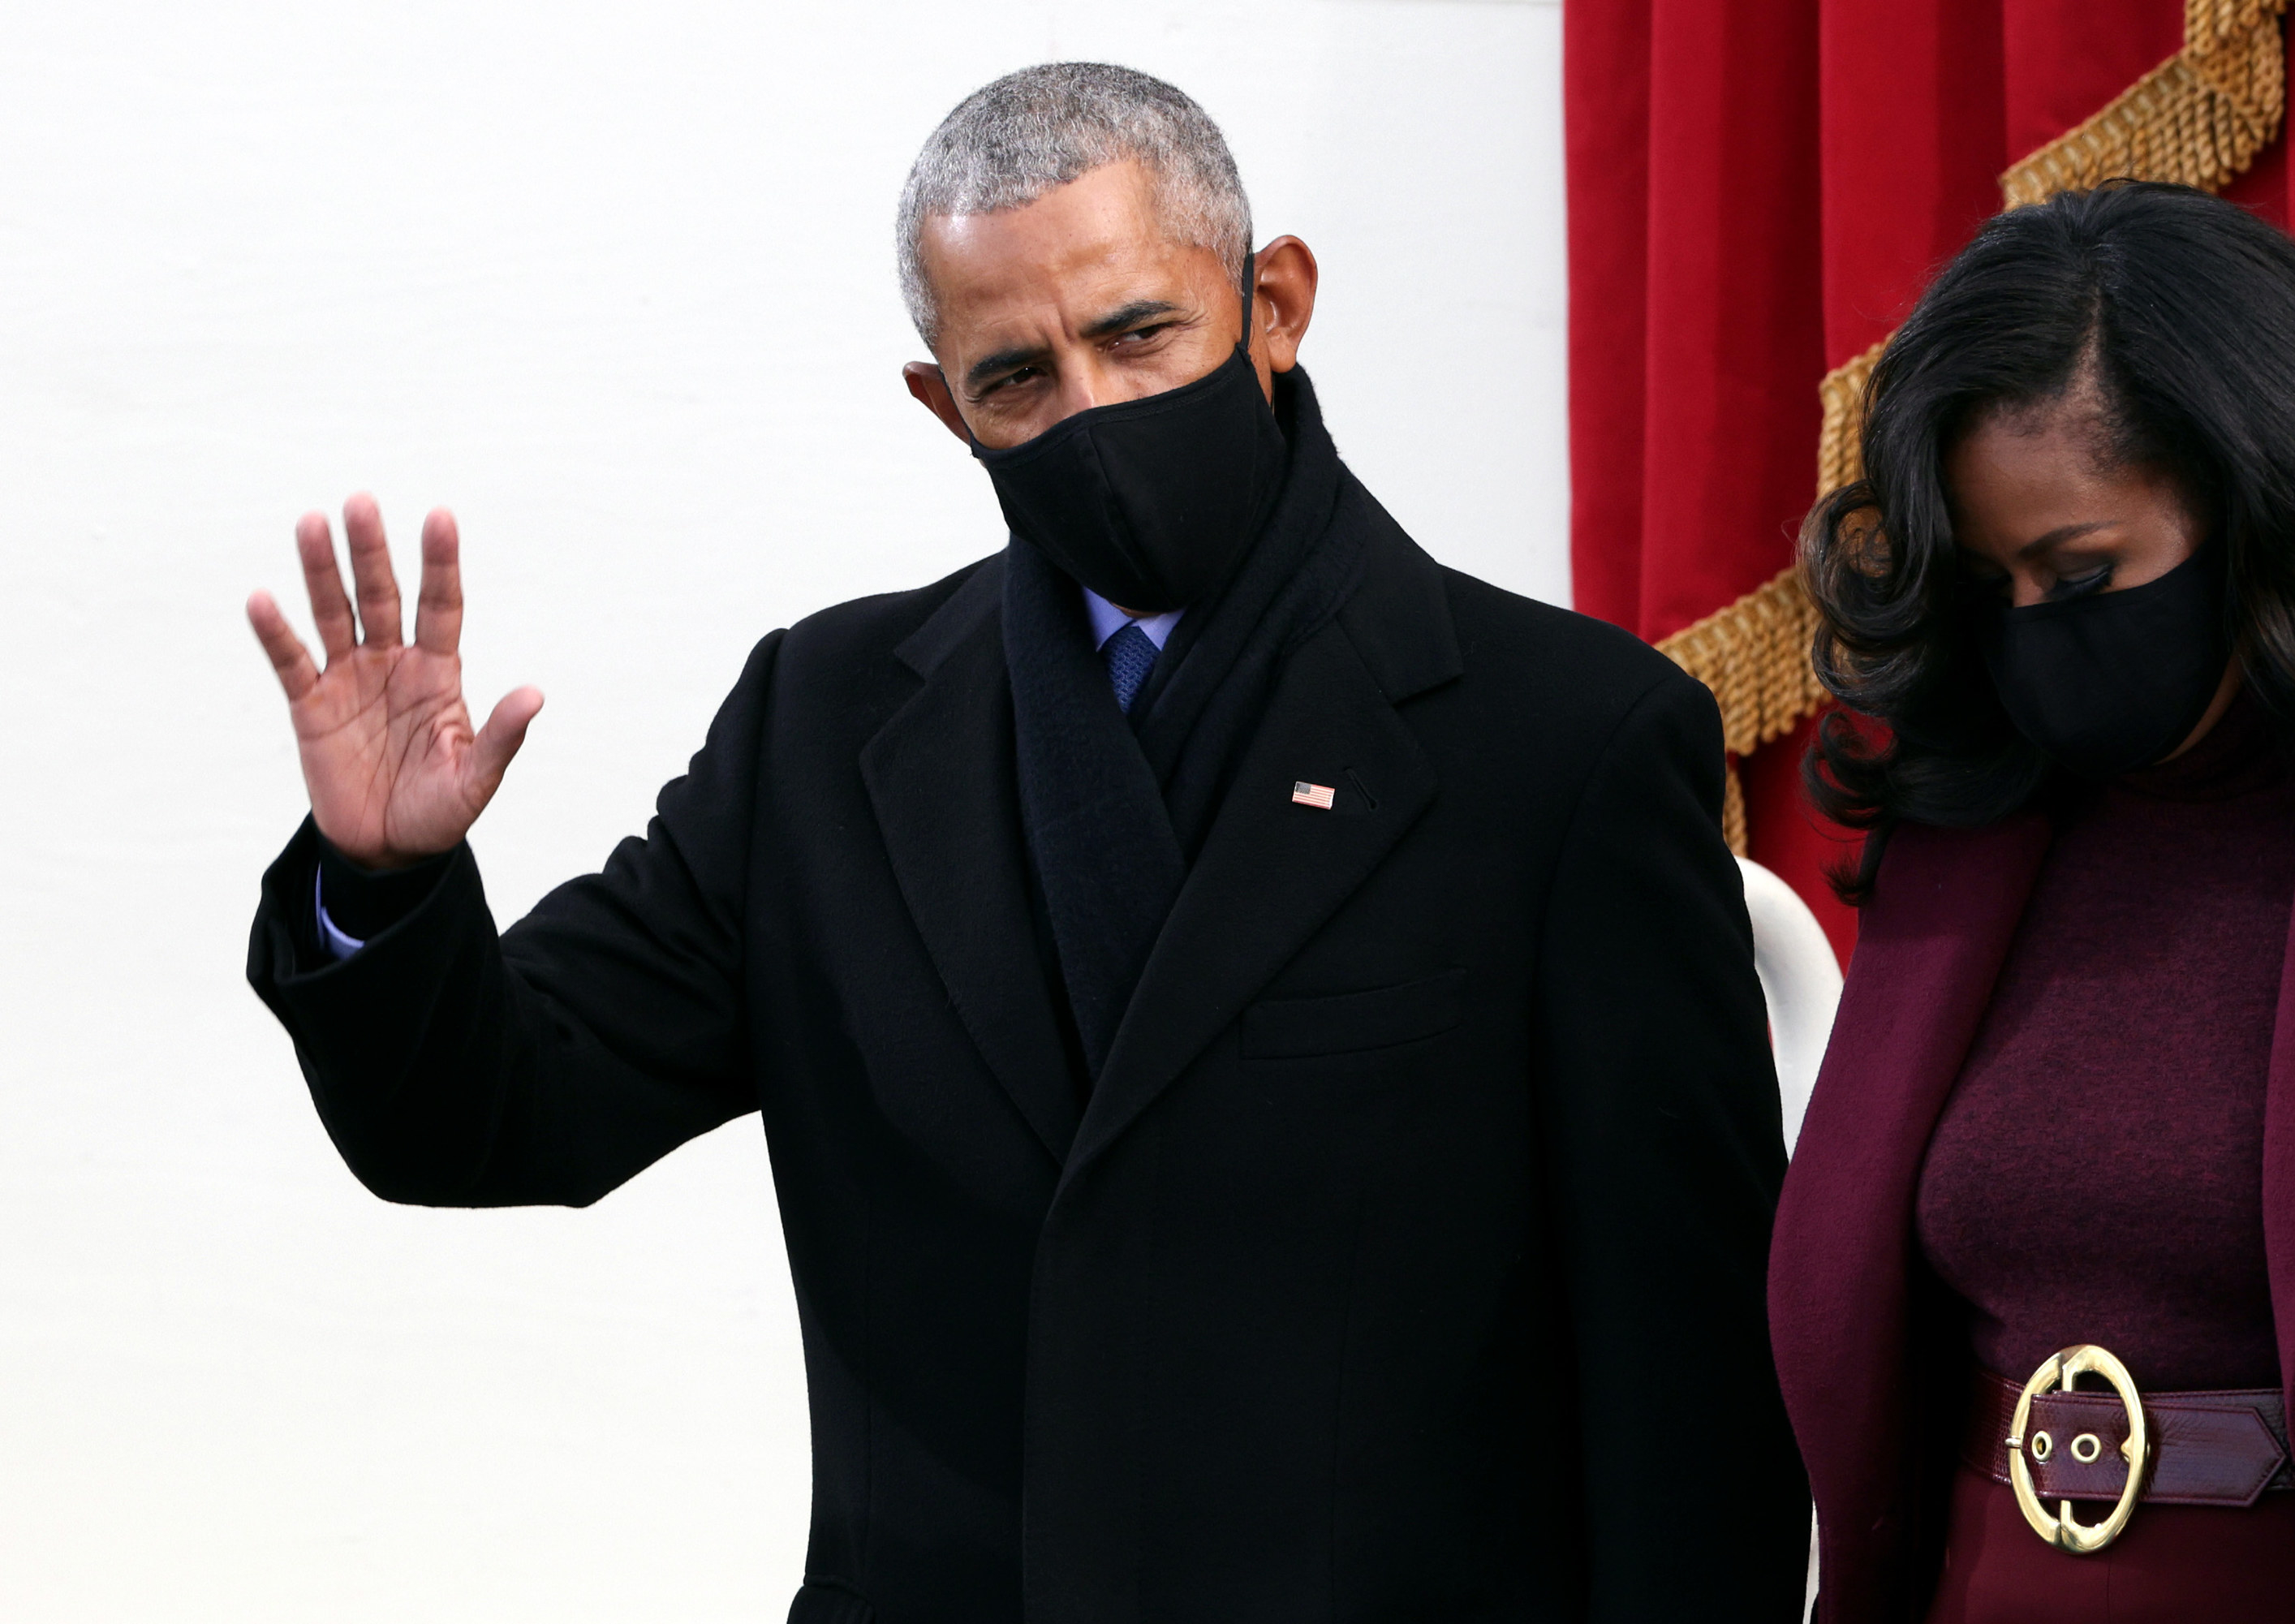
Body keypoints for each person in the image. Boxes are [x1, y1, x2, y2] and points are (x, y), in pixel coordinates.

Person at [243, 63, 1807, 1622]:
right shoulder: (824, 727)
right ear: (945, 406)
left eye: (1140, 334)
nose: (1093, 409)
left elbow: (1690, 1396)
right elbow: (497, 1111)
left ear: (1272, 304)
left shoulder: (1567, 738)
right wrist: (383, 881)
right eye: (1018, 377)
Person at [1772, 179, 2295, 1623]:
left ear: (2252, 496)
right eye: (1989, 587)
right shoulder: (1967, 830)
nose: (2033, 638)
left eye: (2082, 577)